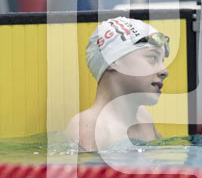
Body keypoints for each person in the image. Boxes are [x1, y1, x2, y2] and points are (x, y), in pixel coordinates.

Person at [66, 17, 170, 151]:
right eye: (152, 58)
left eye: (162, 61)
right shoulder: (91, 126)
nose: (164, 71)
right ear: (112, 61)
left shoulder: (143, 119)